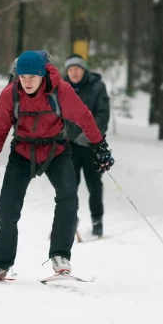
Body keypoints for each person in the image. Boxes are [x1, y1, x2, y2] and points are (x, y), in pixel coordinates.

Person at [0, 50, 115, 280]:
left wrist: (99, 146)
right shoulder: (10, 95)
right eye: (23, 76)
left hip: (56, 150)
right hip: (22, 151)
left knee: (68, 197)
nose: (27, 81)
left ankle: (60, 256)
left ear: (42, 75)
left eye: (33, 76)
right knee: (8, 206)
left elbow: (84, 117)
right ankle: (0, 263)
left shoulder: (60, 91)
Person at [63, 54, 110, 237]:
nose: (74, 72)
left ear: (84, 70)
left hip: (92, 145)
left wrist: (89, 135)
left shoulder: (97, 87)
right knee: (69, 185)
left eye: (77, 68)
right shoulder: (62, 88)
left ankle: (97, 220)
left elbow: (103, 114)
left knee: (94, 186)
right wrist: (72, 135)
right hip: (70, 145)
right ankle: (71, 220)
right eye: (70, 69)